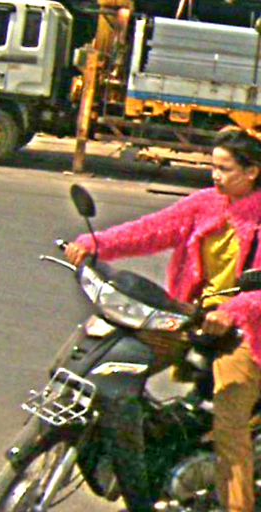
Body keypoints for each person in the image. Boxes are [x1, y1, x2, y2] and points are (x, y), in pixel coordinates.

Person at [65, 127, 261, 512]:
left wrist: (233, 311)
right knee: (112, 362)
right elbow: (151, 231)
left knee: (229, 422)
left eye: (224, 169)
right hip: (194, 318)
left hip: (248, 333)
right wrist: (94, 245)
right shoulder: (206, 205)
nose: (215, 176)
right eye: (213, 167)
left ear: (252, 171)